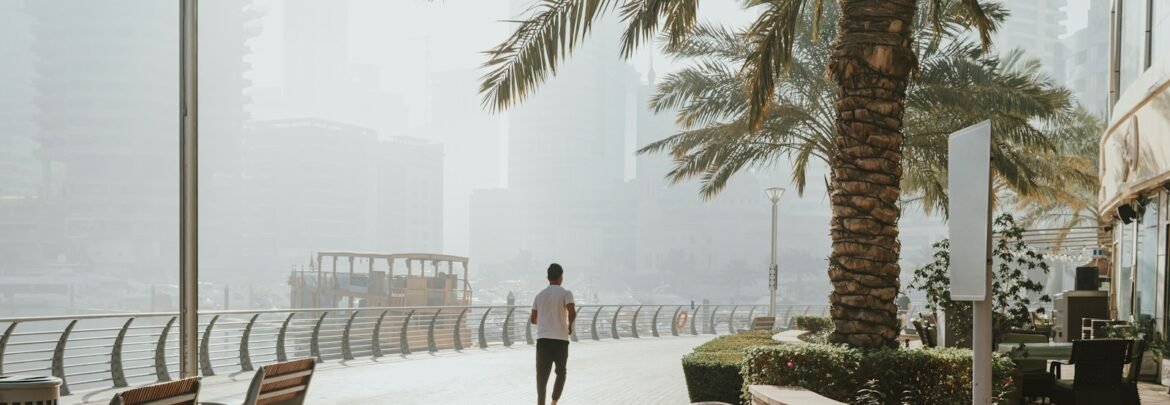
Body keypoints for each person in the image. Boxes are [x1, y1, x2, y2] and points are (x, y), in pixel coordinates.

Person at [530, 263, 575, 405]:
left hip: (543, 341)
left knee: (541, 377)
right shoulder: (566, 293)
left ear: (548, 278)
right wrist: (569, 326)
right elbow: (572, 312)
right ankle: (554, 401)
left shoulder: (539, 295)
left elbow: (533, 319)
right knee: (561, 372)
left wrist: (544, 321)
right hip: (561, 340)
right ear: (561, 277)